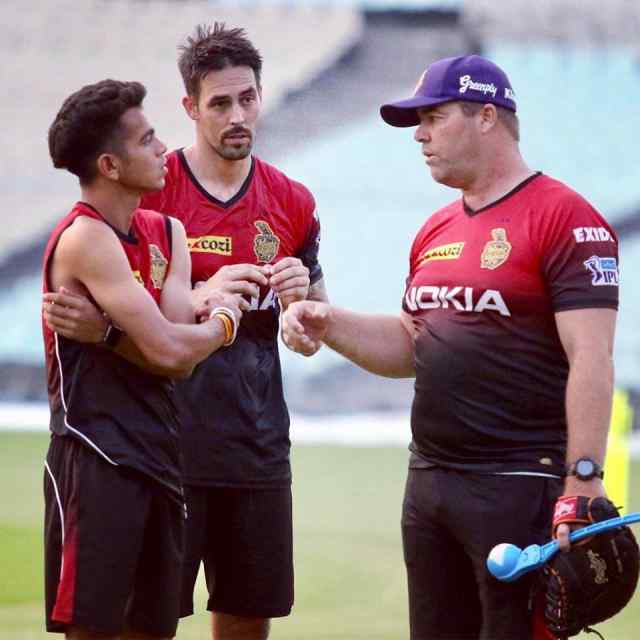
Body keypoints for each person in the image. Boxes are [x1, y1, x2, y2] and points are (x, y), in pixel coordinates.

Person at [281, 55, 619, 639]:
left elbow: (592, 356)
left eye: (433, 118)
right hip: (430, 483)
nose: (420, 135)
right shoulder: (436, 229)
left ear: (486, 117)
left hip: (519, 484)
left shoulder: (566, 218)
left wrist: (584, 479)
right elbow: (413, 345)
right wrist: (327, 322)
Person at [43, 23, 327, 640]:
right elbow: (152, 321)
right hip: (159, 449)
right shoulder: (144, 191)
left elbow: (307, 331)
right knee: (140, 623)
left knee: (246, 619)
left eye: (247, 98)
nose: (237, 115)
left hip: (255, 447)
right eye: (219, 102)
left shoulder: (293, 202)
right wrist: (210, 298)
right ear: (191, 107)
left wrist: (303, 313)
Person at [42, 79, 244, 640]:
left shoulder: (167, 232)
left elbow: (178, 353)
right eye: (147, 139)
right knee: (95, 630)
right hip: (95, 460)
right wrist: (224, 323)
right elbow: (172, 348)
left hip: (159, 456)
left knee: (153, 630)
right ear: (109, 165)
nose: (163, 150)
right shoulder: (85, 238)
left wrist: (110, 334)